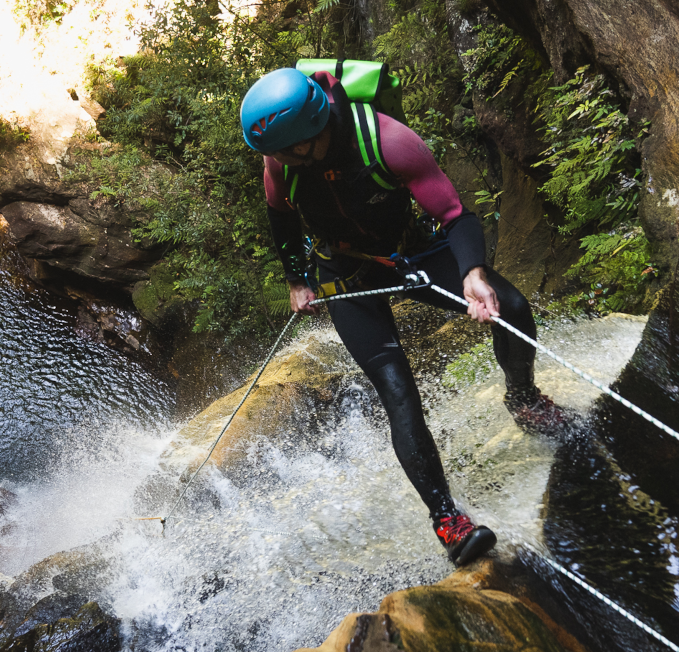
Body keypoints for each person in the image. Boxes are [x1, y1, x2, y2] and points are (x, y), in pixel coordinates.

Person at [240, 67, 562, 566]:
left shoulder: (390, 141)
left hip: (407, 252)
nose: (275, 160)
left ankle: (523, 398)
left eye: (284, 150)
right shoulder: (281, 163)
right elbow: (280, 214)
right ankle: (448, 520)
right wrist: (297, 280)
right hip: (344, 272)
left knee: (512, 308)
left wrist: (473, 274)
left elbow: (456, 217)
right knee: (396, 388)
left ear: (313, 134)